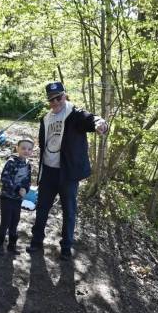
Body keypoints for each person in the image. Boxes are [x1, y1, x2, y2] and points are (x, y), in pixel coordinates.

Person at [26, 81, 108, 260]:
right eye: (51, 99)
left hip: (68, 174)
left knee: (69, 211)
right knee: (42, 208)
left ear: (65, 95)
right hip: (48, 171)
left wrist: (100, 123)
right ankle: (36, 241)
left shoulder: (75, 114)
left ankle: (66, 247)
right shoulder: (45, 119)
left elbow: (91, 119)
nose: (55, 102)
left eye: (58, 97)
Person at [0, 138, 34, 255]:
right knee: (6, 222)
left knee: (15, 222)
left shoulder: (28, 165)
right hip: (7, 197)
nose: (26, 151)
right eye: (23, 148)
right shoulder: (11, 162)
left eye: (29, 149)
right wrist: (18, 189)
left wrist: (25, 190)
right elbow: (5, 179)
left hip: (18, 199)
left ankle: (12, 246)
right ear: (17, 148)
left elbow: (27, 181)